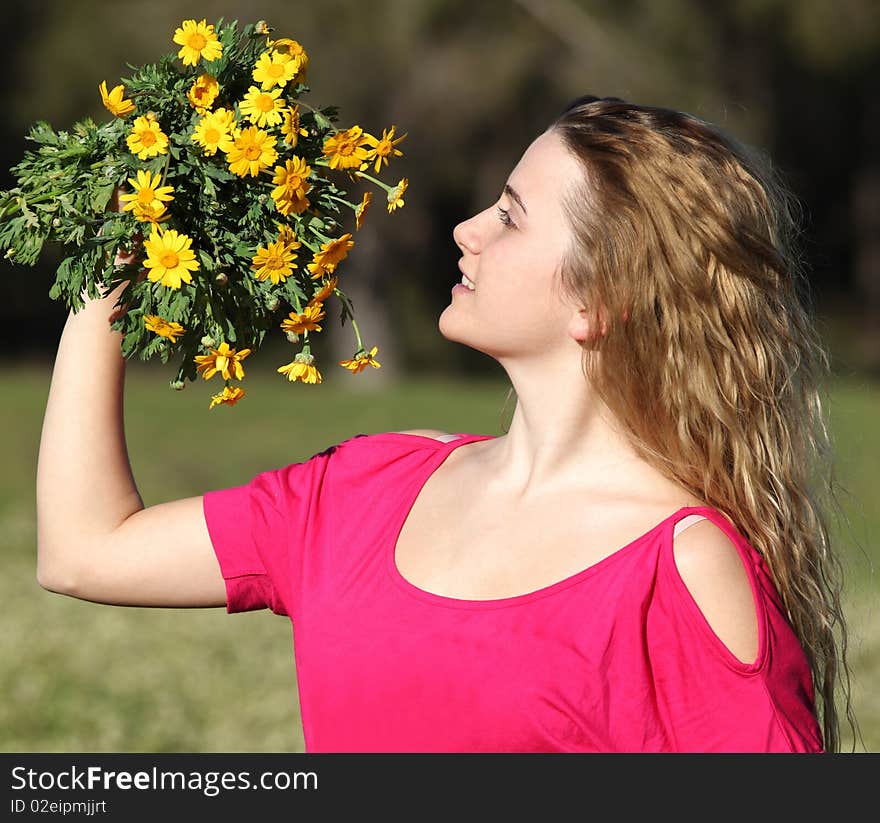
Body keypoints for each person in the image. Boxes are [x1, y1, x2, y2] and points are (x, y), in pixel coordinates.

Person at [36, 95, 856, 753]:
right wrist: (113, 272)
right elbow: (85, 549)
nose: (467, 232)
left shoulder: (674, 572)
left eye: (509, 215)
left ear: (596, 298)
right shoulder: (361, 488)